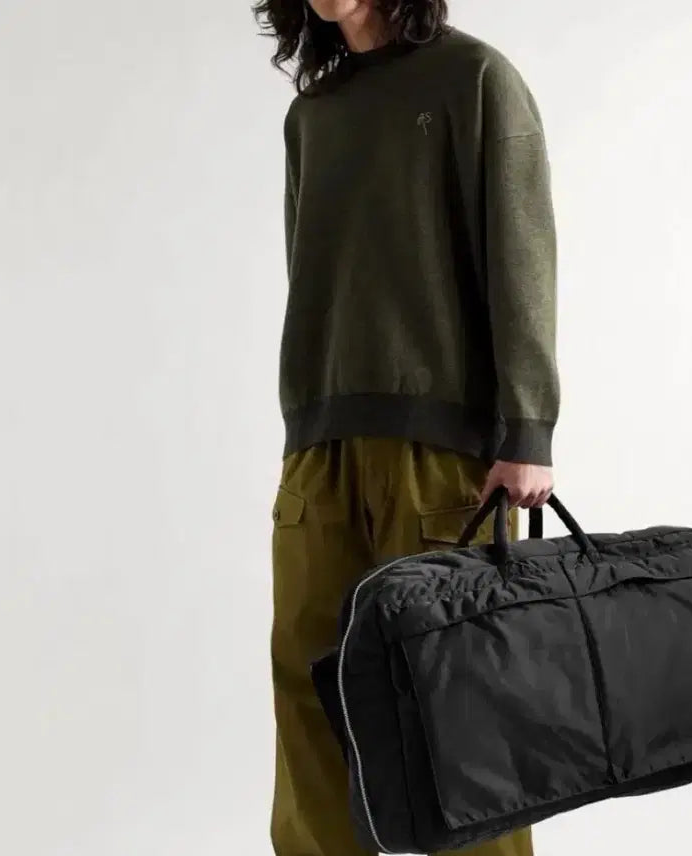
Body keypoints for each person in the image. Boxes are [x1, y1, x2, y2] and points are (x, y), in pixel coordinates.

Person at [253, 1, 560, 854]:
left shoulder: (475, 79)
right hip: (319, 449)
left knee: (457, 700)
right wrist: (304, 427)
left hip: (443, 452)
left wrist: (527, 427)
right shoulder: (313, 114)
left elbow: (522, 253)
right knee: (310, 692)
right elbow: (312, 277)